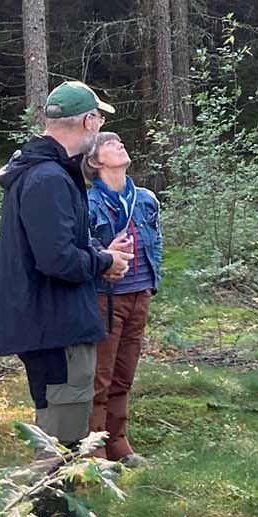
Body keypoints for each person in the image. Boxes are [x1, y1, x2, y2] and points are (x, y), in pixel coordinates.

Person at [0, 79, 132, 517]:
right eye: (101, 120)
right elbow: (56, 259)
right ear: (88, 123)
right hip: (54, 327)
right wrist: (105, 260)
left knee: (65, 440)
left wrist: (94, 257)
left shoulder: (48, 172)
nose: (102, 128)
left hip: (56, 322)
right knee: (60, 444)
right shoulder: (46, 178)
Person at [85, 132, 164, 467]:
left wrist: (150, 283)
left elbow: (156, 241)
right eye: (109, 143)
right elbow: (84, 248)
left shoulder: (144, 198)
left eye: (121, 141)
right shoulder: (87, 202)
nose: (119, 144)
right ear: (94, 162)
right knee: (99, 378)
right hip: (106, 298)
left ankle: (119, 442)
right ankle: (95, 449)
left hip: (139, 294)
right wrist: (104, 259)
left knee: (124, 375)